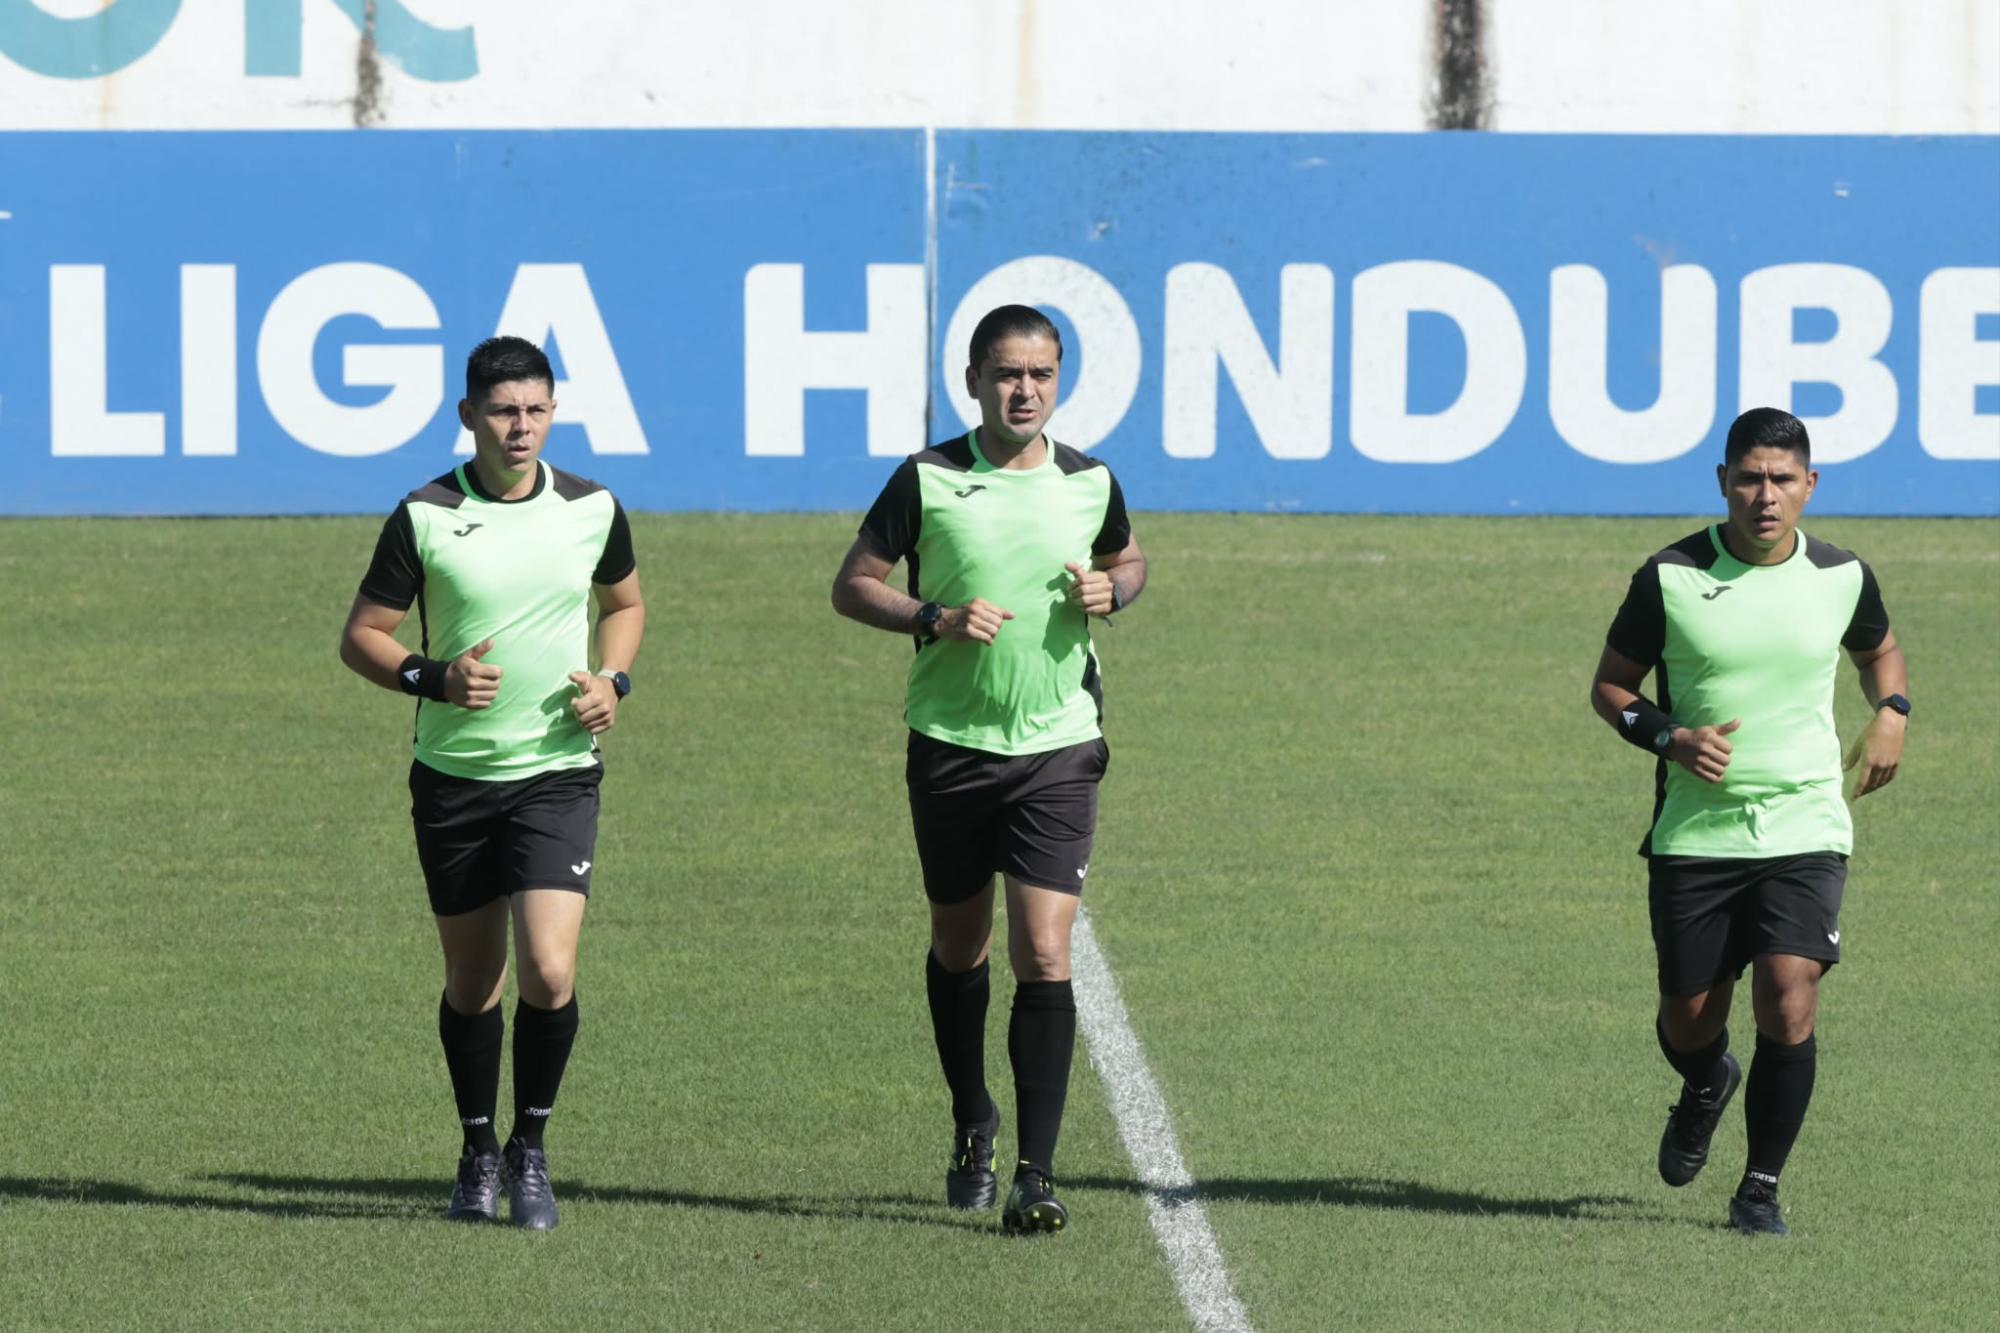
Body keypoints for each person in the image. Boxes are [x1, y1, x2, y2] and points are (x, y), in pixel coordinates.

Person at [831, 305, 1147, 1233]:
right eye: (1008, 374)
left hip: (1058, 747)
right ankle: (975, 1115)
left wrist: (1114, 590)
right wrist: (931, 616)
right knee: (959, 945)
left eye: (1042, 375)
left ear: (1060, 382)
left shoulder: (1091, 481)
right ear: (972, 381)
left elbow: (1128, 558)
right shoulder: (926, 479)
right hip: (953, 749)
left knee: (1044, 951)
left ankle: (1036, 1176)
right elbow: (852, 584)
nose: (1025, 391)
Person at [338, 336, 644, 1230]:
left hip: (556, 773)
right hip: (455, 778)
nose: (521, 427)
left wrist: (611, 681)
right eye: (504, 411)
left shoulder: (592, 507)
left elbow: (624, 604)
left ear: (554, 413)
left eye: (536, 409)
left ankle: (531, 1148)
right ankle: (477, 1148)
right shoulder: (424, 513)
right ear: (469, 415)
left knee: (549, 970)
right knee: (475, 978)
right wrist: (431, 678)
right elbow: (364, 635)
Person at [1590, 407, 1907, 1236]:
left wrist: (1894, 710)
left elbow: (1878, 649)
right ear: (1724, 481)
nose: (1765, 496)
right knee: (1689, 1018)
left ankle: (1758, 1187)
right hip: (1696, 834)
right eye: (1749, 478)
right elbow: (1611, 688)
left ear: (1810, 484)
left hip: (1806, 824)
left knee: (1788, 991)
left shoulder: (1842, 574)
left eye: (1782, 479)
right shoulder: (1669, 575)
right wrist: (1672, 736)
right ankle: (1704, 1081)